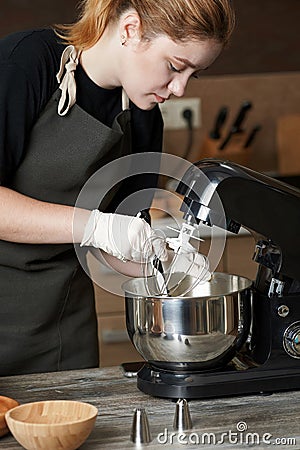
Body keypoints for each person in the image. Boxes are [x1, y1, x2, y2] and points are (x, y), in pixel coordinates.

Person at [0, 0, 235, 376]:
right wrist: (97, 225)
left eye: (194, 74)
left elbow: (118, 242)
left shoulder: (143, 119)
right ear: (130, 29)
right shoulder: (25, 65)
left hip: (62, 329)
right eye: (175, 66)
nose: (179, 88)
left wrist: (162, 260)